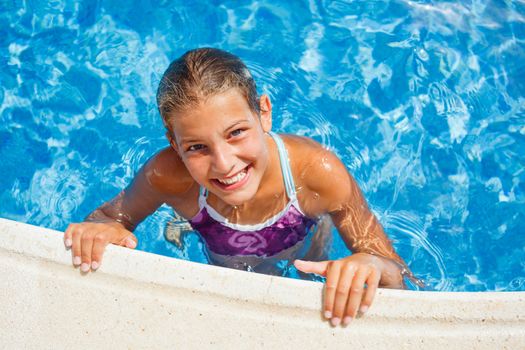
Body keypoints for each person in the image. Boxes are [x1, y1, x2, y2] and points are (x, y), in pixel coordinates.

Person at [63, 47, 417, 328]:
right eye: (197, 147)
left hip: (305, 265)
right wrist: (103, 230)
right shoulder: (166, 175)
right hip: (225, 277)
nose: (224, 164)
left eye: (236, 133)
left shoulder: (316, 173)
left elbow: (399, 277)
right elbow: (111, 218)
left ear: (264, 113)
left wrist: (370, 265)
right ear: (174, 143)